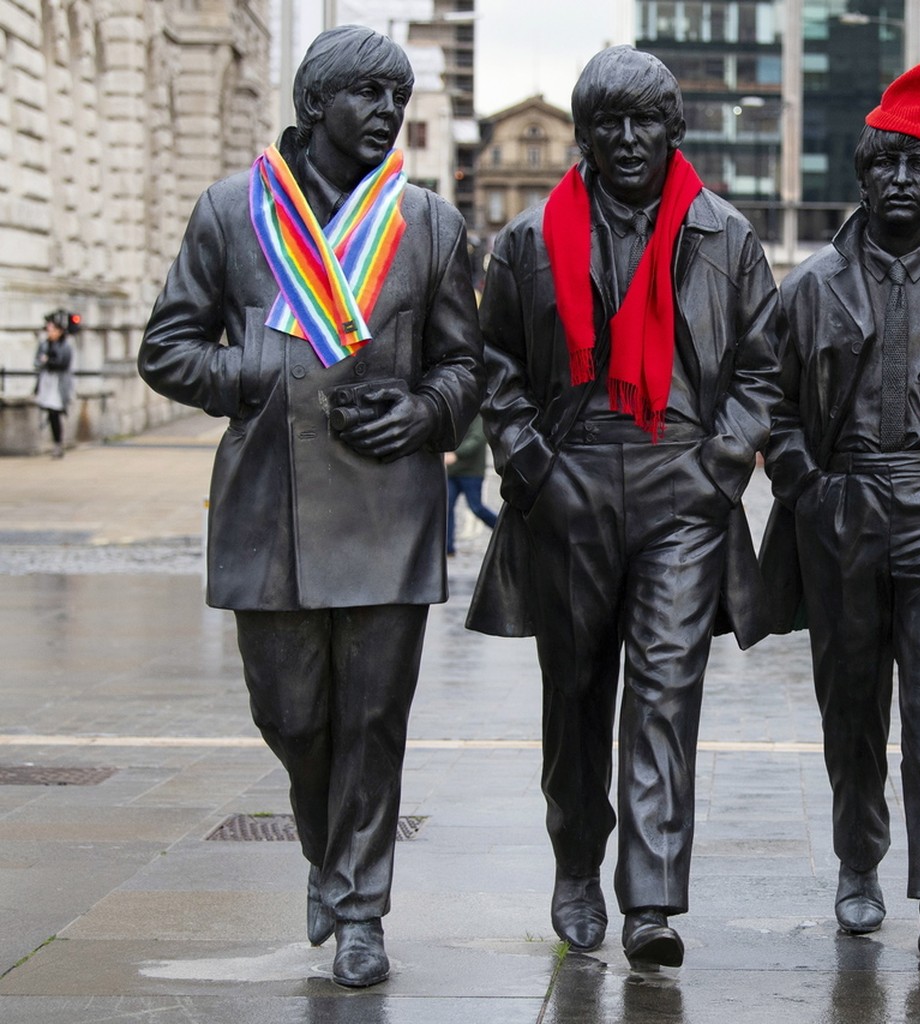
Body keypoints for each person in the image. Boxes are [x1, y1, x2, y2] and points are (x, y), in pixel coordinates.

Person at [138, 26, 482, 988]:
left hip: (389, 506)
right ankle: (328, 860)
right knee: (290, 714)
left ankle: (361, 907)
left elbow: (470, 364)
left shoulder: (428, 223)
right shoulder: (228, 214)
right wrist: (245, 369)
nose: (385, 114)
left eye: (397, 98)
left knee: (375, 718)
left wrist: (423, 409)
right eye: (367, 94)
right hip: (267, 506)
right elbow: (166, 349)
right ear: (313, 104)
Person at [465, 45, 780, 969]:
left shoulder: (727, 234)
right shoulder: (526, 241)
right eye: (609, 122)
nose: (629, 138)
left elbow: (763, 371)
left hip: (683, 484)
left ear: (675, 130)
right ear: (585, 133)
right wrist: (531, 466)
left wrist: (718, 467)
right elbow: (497, 369)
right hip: (569, 482)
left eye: (646, 120)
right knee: (574, 696)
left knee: (665, 694)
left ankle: (650, 900)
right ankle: (575, 863)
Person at [760, 63, 920, 964]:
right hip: (844, 505)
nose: (901, 180)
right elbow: (772, 399)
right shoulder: (809, 286)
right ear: (861, 178)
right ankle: (858, 861)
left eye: (919, 166)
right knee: (851, 704)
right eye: (886, 166)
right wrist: (805, 484)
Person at [444, 414, 498, 555]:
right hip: (452, 472)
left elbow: (477, 439)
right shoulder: (455, 415)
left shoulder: (478, 417)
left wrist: (456, 454)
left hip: (471, 473)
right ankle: (448, 548)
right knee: (447, 508)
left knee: (476, 508)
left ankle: (502, 529)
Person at [34, 310, 76, 458]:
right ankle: (57, 443)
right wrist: (44, 361)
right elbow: (37, 361)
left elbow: (62, 363)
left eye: (52, 330)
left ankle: (58, 443)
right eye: (48, 329)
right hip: (47, 381)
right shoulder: (44, 344)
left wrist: (48, 361)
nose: (49, 332)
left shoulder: (65, 346)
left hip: (59, 383)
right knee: (51, 413)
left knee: (55, 412)